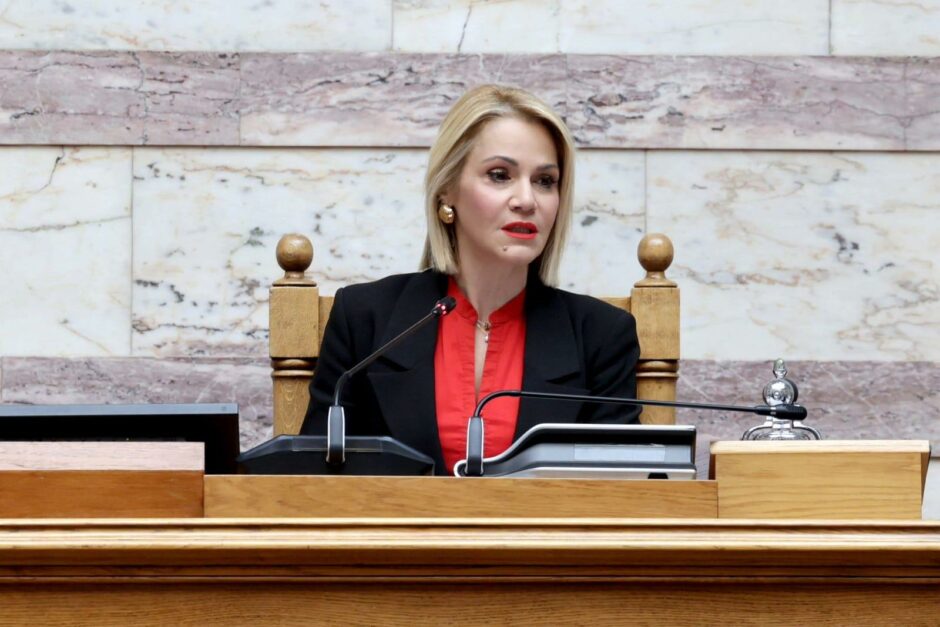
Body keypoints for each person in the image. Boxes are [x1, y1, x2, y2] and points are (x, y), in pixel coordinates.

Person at [301, 84, 640, 475]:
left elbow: (622, 494)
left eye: (545, 180)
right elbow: (313, 479)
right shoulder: (365, 318)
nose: (527, 200)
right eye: (500, 175)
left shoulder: (601, 336)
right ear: (448, 191)